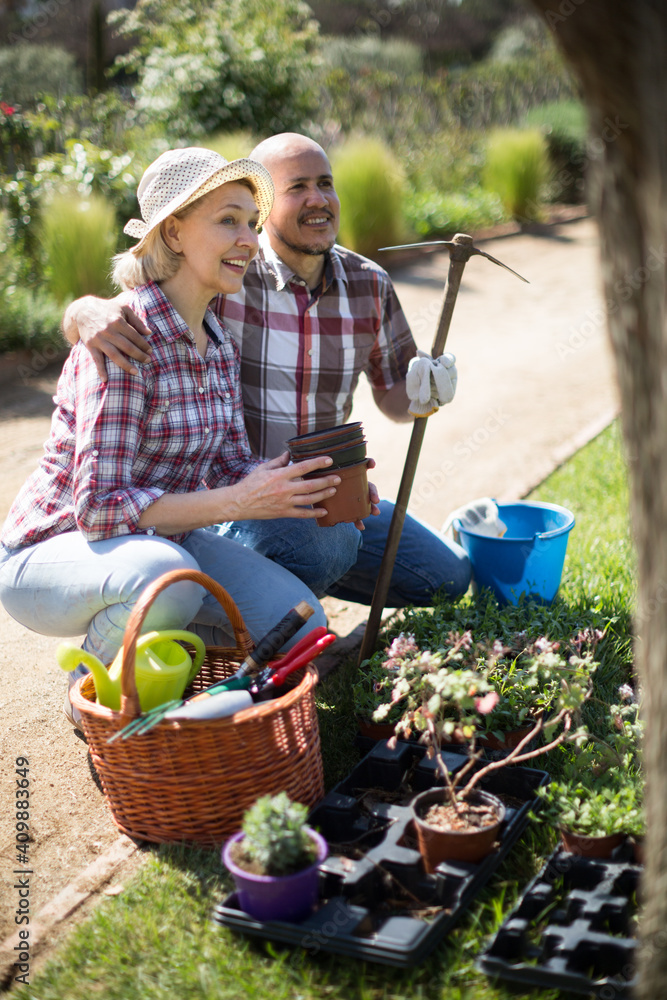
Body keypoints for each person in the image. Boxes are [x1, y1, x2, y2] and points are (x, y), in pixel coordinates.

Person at [0, 146, 358, 724]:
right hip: (52, 553)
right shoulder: (124, 339)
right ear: (173, 233)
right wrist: (238, 502)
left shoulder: (214, 337)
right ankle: (93, 692)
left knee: (301, 622)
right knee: (167, 581)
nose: (248, 238)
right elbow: (96, 510)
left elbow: (227, 466)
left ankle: (176, 675)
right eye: (227, 221)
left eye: (249, 222)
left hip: (165, 545)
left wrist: (302, 486)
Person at [62, 133, 471, 607]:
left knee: (446, 578)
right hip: (230, 500)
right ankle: (274, 598)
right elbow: (133, 307)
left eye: (326, 183)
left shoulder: (368, 285)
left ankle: (297, 576)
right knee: (320, 548)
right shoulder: (228, 274)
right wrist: (81, 311)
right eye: (297, 188)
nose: (318, 200)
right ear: (265, 207)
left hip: (321, 492)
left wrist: (426, 394)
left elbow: (394, 395)